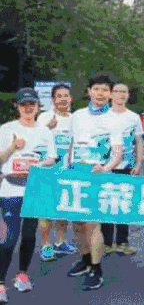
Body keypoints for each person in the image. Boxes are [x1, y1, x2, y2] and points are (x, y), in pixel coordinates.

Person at [66, 74, 123, 290]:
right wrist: (67, 167)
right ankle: (85, 259)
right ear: (89, 91)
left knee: (92, 223)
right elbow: (71, 144)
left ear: (110, 94)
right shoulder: (77, 116)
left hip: (98, 175)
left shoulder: (114, 119)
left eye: (105, 90)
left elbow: (117, 152)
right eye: (96, 89)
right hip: (76, 173)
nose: (100, 93)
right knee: (77, 222)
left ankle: (97, 269)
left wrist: (106, 168)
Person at [0, 88, 56, 302]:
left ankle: (22, 275)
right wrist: (12, 147)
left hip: (34, 189)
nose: (28, 108)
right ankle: (1, 283)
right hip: (10, 189)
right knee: (9, 238)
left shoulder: (45, 131)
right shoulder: (6, 129)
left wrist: (38, 165)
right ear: (17, 106)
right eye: (23, 104)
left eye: (32, 104)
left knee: (29, 235)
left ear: (38, 106)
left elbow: (51, 158)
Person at [101, 82, 144, 256]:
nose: (120, 94)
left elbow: (139, 141)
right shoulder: (103, 117)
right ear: (111, 95)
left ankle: (122, 242)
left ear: (128, 95)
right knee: (106, 204)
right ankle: (106, 243)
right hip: (106, 167)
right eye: (117, 91)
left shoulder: (133, 117)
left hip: (127, 167)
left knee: (124, 204)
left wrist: (139, 163)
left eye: (124, 91)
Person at [36, 83, 78, 261]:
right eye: (59, 96)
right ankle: (46, 245)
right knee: (46, 210)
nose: (63, 99)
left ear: (71, 99)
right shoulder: (44, 117)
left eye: (65, 95)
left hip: (66, 170)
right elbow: (35, 140)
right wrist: (47, 128)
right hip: (46, 170)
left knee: (62, 208)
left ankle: (60, 242)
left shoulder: (74, 119)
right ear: (53, 99)